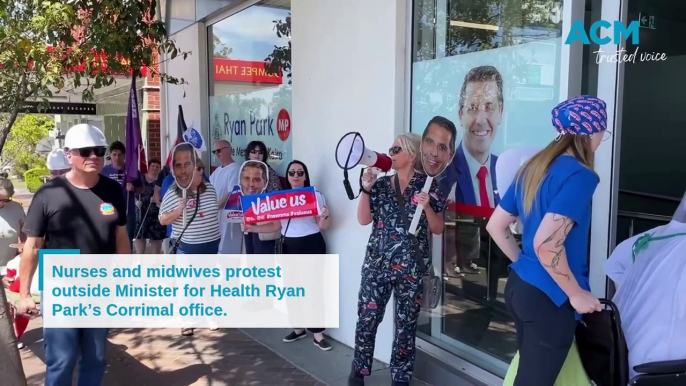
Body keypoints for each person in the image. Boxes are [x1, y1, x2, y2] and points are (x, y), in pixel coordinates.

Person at [485, 95, 609, 386]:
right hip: (550, 301)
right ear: (591, 132)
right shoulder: (580, 176)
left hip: (520, 289)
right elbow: (547, 243)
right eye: (604, 131)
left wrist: (525, 265)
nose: (603, 139)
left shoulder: (534, 168)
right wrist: (577, 294)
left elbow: (496, 225)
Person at [16, 123, 130, 386]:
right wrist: (24, 295)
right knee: (62, 360)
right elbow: (32, 246)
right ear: (69, 155)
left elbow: (121, 237)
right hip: (61, 288)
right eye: (86, 151)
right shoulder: (49, 194)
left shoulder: (113, 191)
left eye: (99, 151)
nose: (94, 157)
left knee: (96, 358)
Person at [349, 133, 448, 386]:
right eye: (390, 149)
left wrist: (426, 207)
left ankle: (400, 378)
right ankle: (359, 371)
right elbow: (363, 219)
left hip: (411, 269)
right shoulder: (381, 185)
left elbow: (437, 228)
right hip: (377, 265)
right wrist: (366, 188)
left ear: (412, 154)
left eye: (395, 149)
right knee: (367, 319)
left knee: (406, 326)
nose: (390, 154)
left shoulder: (428, 186)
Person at [242, 160, 333, 351]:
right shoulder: (279, 198)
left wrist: (325, 216)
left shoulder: (315, 195)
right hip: (289, 244)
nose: (296, 176)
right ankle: (298, 328)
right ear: (288, 176)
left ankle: (318, 334)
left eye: (300, 172)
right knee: (293, 289)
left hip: (312, 243)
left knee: (314, 289)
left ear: (305, 175)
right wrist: (251, 227)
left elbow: (324, 226)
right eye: (292, 173)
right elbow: (275, 226)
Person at [606, 189, 686, 380]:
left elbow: (615, 269)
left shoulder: (644, 239)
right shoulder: (677, 247)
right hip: (663, 363)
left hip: (624, 355)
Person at [440, 65, 503, 206]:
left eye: (489, 107)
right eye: (472, 108)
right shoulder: (441, 176)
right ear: (461, 114)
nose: (481, 120)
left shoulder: (507, 173)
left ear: (501, 112)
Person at [100, 140, 144, 245]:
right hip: (109, 210)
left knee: (127, 240)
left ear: (124, 155)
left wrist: (134, 189)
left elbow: (142, 189)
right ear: (110, 155)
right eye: (114, 154)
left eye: (120, 155)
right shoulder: (103, 171)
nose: (117, 157)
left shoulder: (132, 171)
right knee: (109, 240)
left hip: (128, 211)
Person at [210, 139, 242, 254]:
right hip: (215, 218)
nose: (217, 154)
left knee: (228, 252)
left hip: (228, 220)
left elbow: (231, 193)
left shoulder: (235, 169)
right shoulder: (216, 171)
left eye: (219, 151)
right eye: (214, 152)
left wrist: (214, 207)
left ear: (228, 150)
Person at [240, 160, 277, 255]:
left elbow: (276, 226)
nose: (251, 184)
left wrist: (252, 228)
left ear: (265, 183)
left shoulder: (272, 204)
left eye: (256, 179)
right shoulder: (242, 202)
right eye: (247, 178)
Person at [133, 158, 166, 254]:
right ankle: (140, 259)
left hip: (156, 214)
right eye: (153, 166)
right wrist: (135, 201)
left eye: (157, 167)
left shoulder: (162, 181)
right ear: (149, 167)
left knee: (156, 238)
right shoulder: (140, 178)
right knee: (140, 236)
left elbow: (167, 195)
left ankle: (155, 262)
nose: (155, 168)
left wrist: (159, 199)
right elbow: (132, 191)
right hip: (141, 212)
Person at [0, 176, 26, 266]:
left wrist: (24, 249)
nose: (1, 203)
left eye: (5, 200)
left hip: (9, 265)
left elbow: (24, 231)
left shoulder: (16, 207)